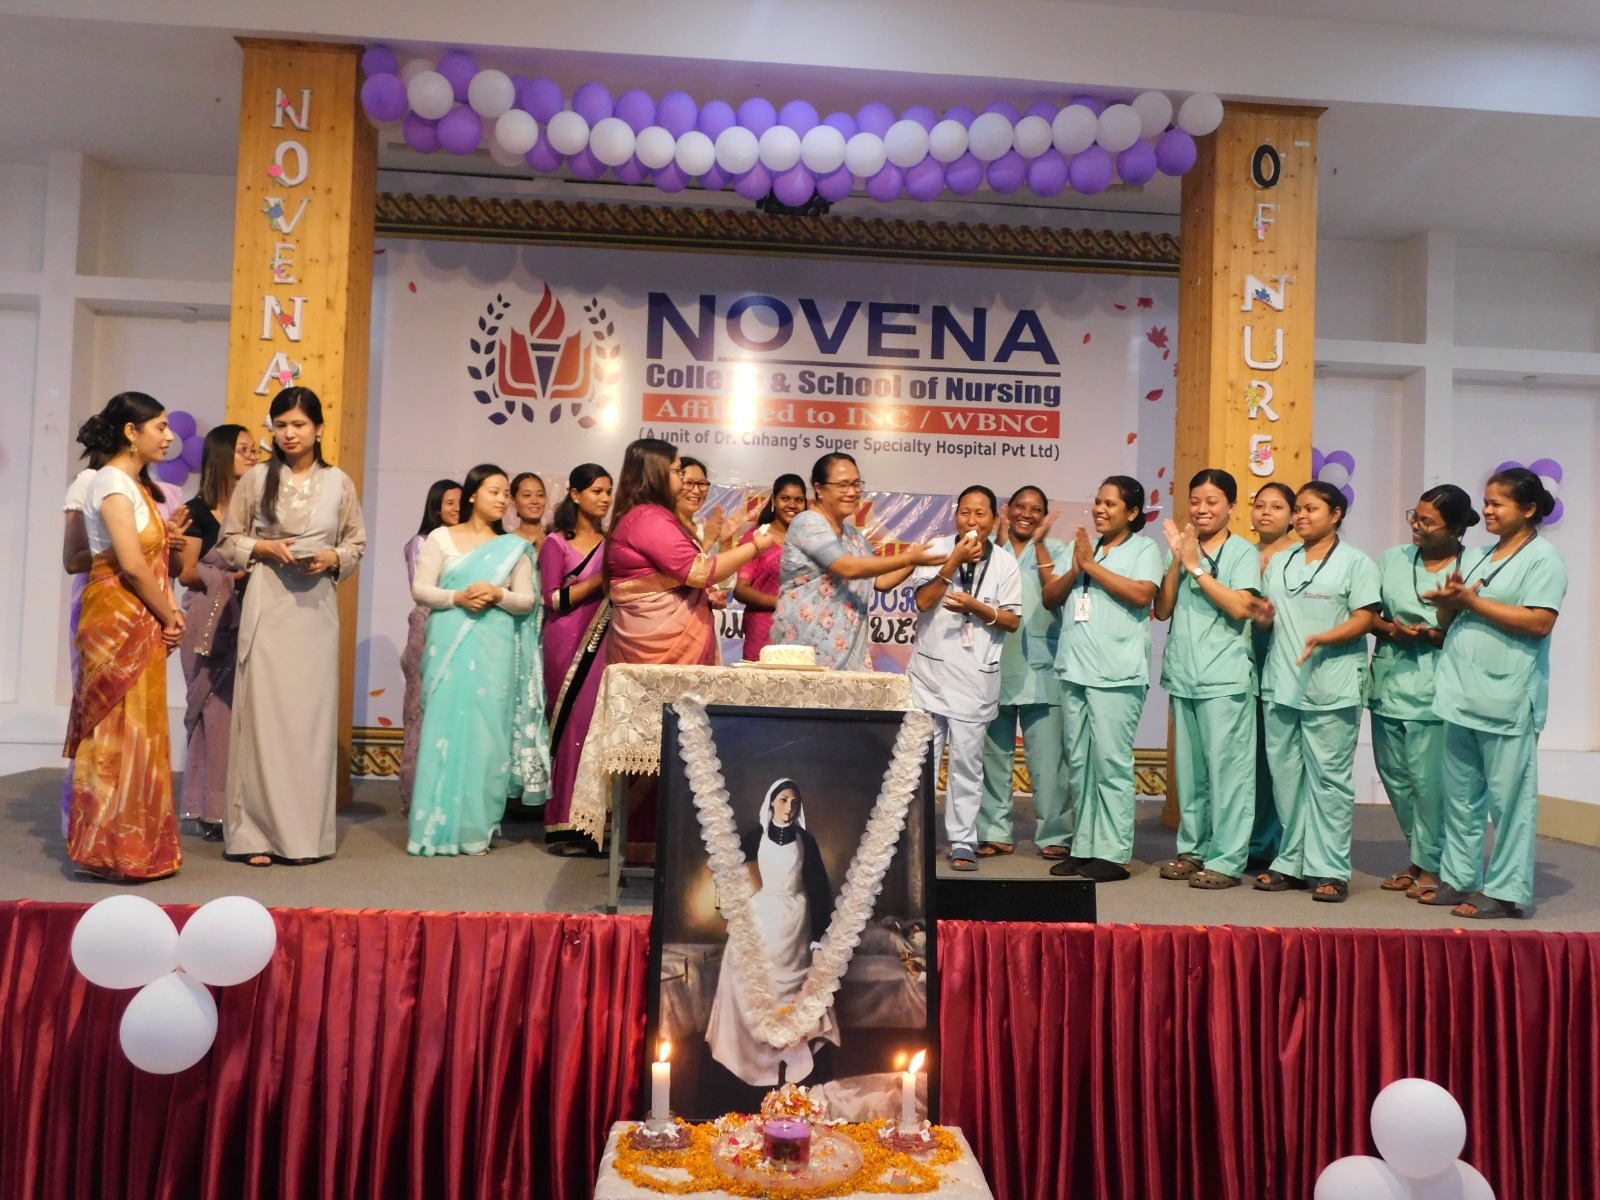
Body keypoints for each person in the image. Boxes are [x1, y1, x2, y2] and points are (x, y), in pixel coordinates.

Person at [217, 387, 367, 867]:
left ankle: (303, 837)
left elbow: (356, 543)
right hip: (268, 604)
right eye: (280, 425)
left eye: (299, 424)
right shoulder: (255, 478)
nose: (289, 434)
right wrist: (263, 548)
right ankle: (254, 835)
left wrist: (332, 557)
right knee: (263, 718)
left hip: (315, 611)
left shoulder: (339, 482)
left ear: (318, 428)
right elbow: (228, 542)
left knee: (308, 723)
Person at [1421, 468, 1567, 919]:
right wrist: (1448, 604)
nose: (1486, 510)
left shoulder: (1544, 559)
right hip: (1462, 693)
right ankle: (1459, 877)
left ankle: (1506, 891)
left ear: (1528, 509)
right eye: (1486, 502)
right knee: (1460, 796)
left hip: (1507, 698)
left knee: (1509, 803)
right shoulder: (1479, 555)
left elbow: (1540, 622)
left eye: (1497, 503)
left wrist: (1473, 602)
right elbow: (1450, 620)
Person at [62, 392, 187, 881]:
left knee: (143, 728)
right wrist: (170, 615)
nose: (169, 436)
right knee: (117, 732)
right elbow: (132, 565)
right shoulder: (112, 482)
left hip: (140, 616)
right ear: (131, 432)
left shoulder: (135, 485)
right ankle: (110, 851)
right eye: (159, 426)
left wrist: (169, 612)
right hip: (116, 619)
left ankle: (138, 847)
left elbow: (151, 562)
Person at [1248, 481, 1379, 903]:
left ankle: (1330, 869)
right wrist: (1263, 618)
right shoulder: (1280, 561)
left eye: (1311, 509)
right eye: (1299, 509)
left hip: (1331, 685)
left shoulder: (1356, 563)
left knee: (1329, 780)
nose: (1301, 516)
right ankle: (1291, 861)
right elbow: (1270, 619)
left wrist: (1326, 637)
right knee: (1286, 779)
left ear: (1336, 514)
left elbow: (1365, 618)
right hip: (1282, 684)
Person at [407, 464, 545, 856]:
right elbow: (421, 589)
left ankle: (475, 829)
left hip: (494, 647)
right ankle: (432, 828)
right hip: (450, 640)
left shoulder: (513, 547)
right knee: (444, 728)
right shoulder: (442, 537)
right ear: (472, 495)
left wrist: (498, 594)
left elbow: (527, 601)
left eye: (505, 494)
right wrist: (458, 597)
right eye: (494, 491)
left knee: (487, 735)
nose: (502, 500)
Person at [1041, 476, 1163, 883]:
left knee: (1111, 763)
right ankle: (1085, 846)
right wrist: (1076, 568)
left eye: (1110, 504)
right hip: (1075, 668)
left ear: (1132, 512)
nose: (1100, 509)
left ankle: (1114, 853)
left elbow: (1143, 594)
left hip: (1117, 673)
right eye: (1097, 501)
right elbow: (1050, 597)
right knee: (1079, 763)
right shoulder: (1084, 548)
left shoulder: (1144, 549)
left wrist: (1091, 568)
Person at [1153, 469, 1262, 889]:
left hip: (1225, 678)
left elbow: (1241, 607)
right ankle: (1193, 850)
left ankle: (1227, 859)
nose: (1201, 509)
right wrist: (1177, 561)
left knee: (1228, 774)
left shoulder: (1243, 552)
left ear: (1231, 506)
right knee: (1191, 773)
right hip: (1184, 675)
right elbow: (1163, 610)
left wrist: (1196, 567)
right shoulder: (1185, 548)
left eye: (1212, 501)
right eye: (1195, 501)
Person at [1369, 485, 1477, 897]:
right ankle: (1420, 856)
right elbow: (1367, 614)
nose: (1416, 525)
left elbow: (1474, 626)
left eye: (1428, 521)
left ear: (1455, 527)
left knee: (1429, 784)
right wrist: (1391, 629)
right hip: (1390, 681)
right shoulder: (1393, 559)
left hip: (1437, 685)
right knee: (1396, 779)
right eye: (1415, 515)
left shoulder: (1473, 564)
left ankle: (1432, 864)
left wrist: (1433, 634)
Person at [907, 487, 1023, 870]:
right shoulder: (936, 549)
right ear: (955, 514)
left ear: (995, 519)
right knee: (921, 762)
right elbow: (923, 602)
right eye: (965, 513)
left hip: (974, 677)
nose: (972, 521)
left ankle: (962, 841)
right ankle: (915, 838)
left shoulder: (1005, 563)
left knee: (967, 764)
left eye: (980, 514)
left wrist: (977, 607)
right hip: (930, 675)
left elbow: (1012, 621)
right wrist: (953, 561)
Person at [704, 779, 838, 1096]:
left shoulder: (806, 842)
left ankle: (793, 1063)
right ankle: (749, 1060)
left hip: (796, 923)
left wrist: (819, 937)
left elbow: (819, 889)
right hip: (761, 915)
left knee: (792, 993)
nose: (788, 807)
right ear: (771, 802)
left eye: (794, 802)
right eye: (783, 800)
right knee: (746, 976)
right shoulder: (755, 837)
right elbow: (732, 873)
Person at [605, 438, 773, 668]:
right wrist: (755, 547)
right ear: (657, 473)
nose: (683, 480)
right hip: (657, 649)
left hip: (663, 640)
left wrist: (704, 595)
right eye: (678, 472)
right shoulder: (649, 519)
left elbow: (674, 577)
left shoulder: (652, 516)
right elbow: (700, 571)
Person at [772, 453, 940, 670]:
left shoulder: (853, 537)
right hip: (805, 653)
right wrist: (910, 557)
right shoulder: (808, 522)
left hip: (848, 654)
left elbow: (881, 581)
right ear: (819, 489)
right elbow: (847, 567)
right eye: (843, 485)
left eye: (856, 484)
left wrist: (921, 557)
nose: (852, 492)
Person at [978, 485, 1071, 861]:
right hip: (993, 664)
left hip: (1042, 667)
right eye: (1020, 507)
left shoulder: (1057, 551)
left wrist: (1042, 545)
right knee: (993, 756)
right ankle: (993, 831)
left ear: (1044, 515)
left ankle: (1055, 833)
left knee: (1049, 763)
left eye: (1035, 509)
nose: (1027, 514)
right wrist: (999, 544)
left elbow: (1057, 596)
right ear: (1007, 510)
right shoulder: (986, 549)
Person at [176, 424, 256, 841]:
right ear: (223, 455)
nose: (254, 456)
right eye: (244, 449)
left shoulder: (256, 514)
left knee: (245, 719)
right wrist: (230, 577)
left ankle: (243, 808)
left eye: (255, 449)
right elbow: (187, 573)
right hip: (207, 622)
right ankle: (210, 810)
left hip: (250, 619)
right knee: (213, 716)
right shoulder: (197, 512)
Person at [539, 463, 613, 850]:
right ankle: (563, 821)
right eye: (597, 491)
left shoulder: (612, 543)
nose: (605, 498)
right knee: (570, 726)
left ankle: (595, 820)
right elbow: (552, 599)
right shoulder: (556, 543)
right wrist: (600, 580)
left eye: (608, 492)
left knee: (595, 727)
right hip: (565, 642)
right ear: (575, 494)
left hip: (605, 641)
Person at [399, 479, 461, 813]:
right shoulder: (421, 543)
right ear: (435, 508)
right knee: (420, 711)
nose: (456, 508)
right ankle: (416, 796)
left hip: (458, 629)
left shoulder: (467, 542)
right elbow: (421, 590)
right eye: (449, 503)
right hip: (427, 628)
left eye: (461, 502)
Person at [60, 446, 109, 838]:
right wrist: (128, 552)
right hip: (96, 604)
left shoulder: (143, 488)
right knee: (94, 709)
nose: (166, 438)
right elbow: (74, 559)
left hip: (136, 608)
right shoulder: (88, 483)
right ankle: (81, 819)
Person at [1248, 481, 1297, 866]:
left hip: (1282, 660)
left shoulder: (1299, 556)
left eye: (1276, 507)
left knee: (1277, 758)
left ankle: (1279, 843)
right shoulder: (1240, 554)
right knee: (1250, 757)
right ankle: (1250, 841)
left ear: (1293, 516)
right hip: (1243, 660)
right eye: (1260, 505)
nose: (1266, 512)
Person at [736, 473, 807, 662]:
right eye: (785, 498)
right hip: (763, 629)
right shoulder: (758, 537)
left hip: (802, 630)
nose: (792, 505)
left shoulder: (809, 541)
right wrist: (783, 603)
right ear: (774, 500)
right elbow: (741, 589)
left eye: (799, 500)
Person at [510, 472, 548, 553]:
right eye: (527, 495)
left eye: (540, 495)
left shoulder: (555, 538)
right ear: (513, 501)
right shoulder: (507, 542)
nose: (535, 501)